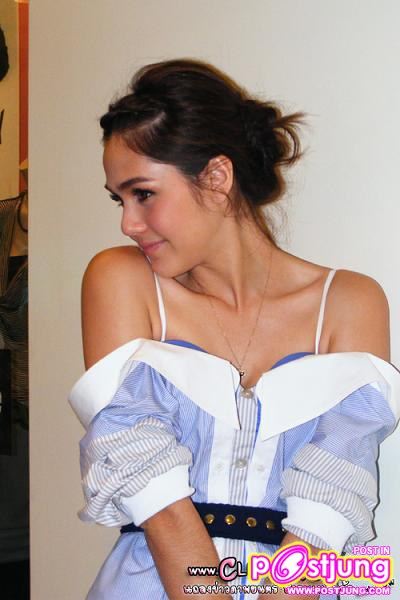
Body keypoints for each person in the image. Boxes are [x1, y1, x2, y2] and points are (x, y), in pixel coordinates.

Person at [69, 59, 399, 600]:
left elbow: (334, 493)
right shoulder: (121, 279)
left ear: (217, 177)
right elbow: (147, 481)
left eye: (143, 193)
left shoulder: (348, 302)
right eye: (119, 199)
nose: (128, 223)